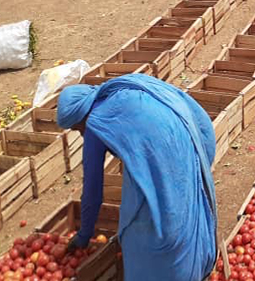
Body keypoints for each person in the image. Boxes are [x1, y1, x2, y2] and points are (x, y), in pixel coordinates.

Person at [57, 73, 217, 281]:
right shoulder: (117, 91)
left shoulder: (95, 122)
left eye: (75, 127)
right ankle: (193, 267)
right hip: (184, 138)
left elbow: (92, 191)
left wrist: (84, 235)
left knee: (151, 231)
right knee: (186, 205)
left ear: (80, 118)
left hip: (167, 150)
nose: (79, 133)